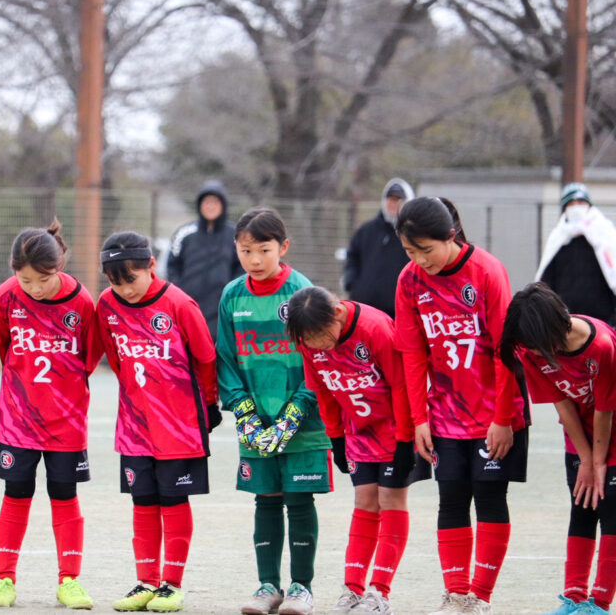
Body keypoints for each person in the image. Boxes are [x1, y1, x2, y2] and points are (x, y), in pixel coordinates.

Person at [393, 196, 529, 615]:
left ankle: (481, 598)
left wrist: (502, 418)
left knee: (489, 499)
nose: (419, 260)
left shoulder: (486, 271)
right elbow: (412, 354)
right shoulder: (409, 280)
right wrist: (419, 418)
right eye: (410, 251)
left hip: (495, 413)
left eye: (426, 250)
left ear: (450, 236)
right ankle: (456, 597)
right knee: (450, 499)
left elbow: (505, 350)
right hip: (444, 414)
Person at [96, 231, 222, 613]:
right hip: (134, 425)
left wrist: (210, 404)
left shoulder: (179, 304)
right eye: (115, 282)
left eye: (130, 279)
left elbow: (205, 357)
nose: (124, 290)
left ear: (151, 266)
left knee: (173, 499)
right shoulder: (106, 305)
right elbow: (116, 359)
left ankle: (172, 584)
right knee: (143, 501)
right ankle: (146, 582)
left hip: (179, 423)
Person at [0, 219, 101, 610]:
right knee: (15, 493)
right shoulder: (4, 297)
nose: (31, 288)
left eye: (41, 281)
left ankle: (69, 581)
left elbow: (91, 354)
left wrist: (64, 391)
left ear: (59, 267)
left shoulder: (81, 302)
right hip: (17, 420)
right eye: (24, 280)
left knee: (64, 494)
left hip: (66, 422)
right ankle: (4, 581)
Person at [217, 207, 331, 615]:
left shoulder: (301, 291)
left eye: (264, 250)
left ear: (283, 247)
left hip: (301, 422)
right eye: (246, 251)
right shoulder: (232, 295)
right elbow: (226, 360)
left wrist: (292, 415)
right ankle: (268, 586)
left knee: (299, 501)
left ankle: (302, 588)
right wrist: (245, 411)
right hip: (255, 420)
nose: (255, 260)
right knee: (265, 500)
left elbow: (319, 357)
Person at [286, 286, 419, 615]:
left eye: (319, 335)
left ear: (338, 315)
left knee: (391, 500)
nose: (316, 345)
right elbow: (321, 389)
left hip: (395, 427)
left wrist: (405, 439)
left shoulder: (374, 329)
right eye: (308, 339)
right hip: (357, 429)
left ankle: (380, 593)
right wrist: (337, 437)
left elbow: (403, 384)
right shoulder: (308, 342)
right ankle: (353, 589)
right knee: (364, 501)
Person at [500, 282, 616, 615]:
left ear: (552, 329)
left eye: (533, 345)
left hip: (611, 431)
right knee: (582, 505)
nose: (530, 353)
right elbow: (564, 407)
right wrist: (584, 460)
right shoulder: (531, 351)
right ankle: (574, 598)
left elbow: (605, 410)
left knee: (610, 510)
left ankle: (600, 603)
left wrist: (598, 463)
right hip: (580, 434)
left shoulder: (603, 346)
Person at [167, 180, 244, 340]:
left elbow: (242, 265)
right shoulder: (185, 232)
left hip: (221, 307)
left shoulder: (235, 234)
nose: (210, 206)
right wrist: (180, 290)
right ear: (199, 205)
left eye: (215, 202)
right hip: (190, 305)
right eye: (206, 202)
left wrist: (230, 292)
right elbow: (172, 264)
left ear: (223, 205)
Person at [536, 183, 616, 327]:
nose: (576, 207)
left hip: (603, 323)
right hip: (568, 323)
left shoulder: (604, 235)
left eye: (580, 202)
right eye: (571, 203)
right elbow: (546, 282)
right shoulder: (558, 239)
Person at [342, 178, 415, 317]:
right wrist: (350, 282)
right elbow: (352, 257)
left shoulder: (413, 234)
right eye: (390, 198)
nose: (393, 203)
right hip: (365, 310)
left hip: (398, 313)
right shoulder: (366, 230)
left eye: (398, 199)